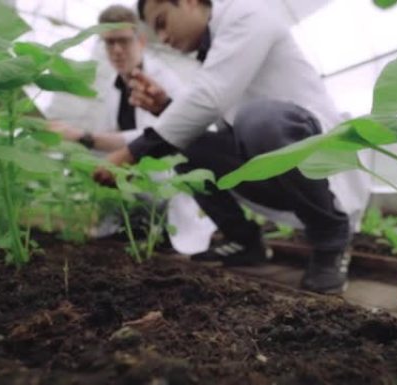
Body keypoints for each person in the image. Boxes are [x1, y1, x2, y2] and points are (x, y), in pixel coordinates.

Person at [95, 0, 371, 294]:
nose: (161, 38)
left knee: (259, 121)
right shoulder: (214, 47)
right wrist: (165, 107)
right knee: (188, 145)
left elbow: (211, 96)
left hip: (317, 164)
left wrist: (130, 153)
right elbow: (215, 123)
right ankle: (245, 241)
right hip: (272, 168)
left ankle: (331, 237)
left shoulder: (249, 14)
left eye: (162, 23)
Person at [50, 4, 216, 254]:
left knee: (138, 159)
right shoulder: (114, 88)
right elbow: (112, 137)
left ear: (140, 40)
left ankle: (158, 227)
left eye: (123, 41)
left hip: (171, 174)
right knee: (93, 158)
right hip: (142, 181)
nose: (116, 50)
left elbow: (155, 138)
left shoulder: (163, 78)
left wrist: (83, 136)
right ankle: (128, 223)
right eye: (109, 43)